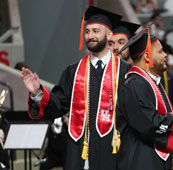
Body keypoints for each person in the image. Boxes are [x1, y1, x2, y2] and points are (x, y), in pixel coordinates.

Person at [21, 6, 131, 170]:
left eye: (95, 31)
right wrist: (37, 92)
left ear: (109, 35)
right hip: (81, 150)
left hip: (115, 150)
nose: (90, 36)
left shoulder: (126, 71)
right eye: (87, 32)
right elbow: (58, 105)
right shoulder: (74, 71)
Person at [116, 26, 173, 170]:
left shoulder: (152, 83)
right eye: (160, 51)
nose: (165, 55)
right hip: (141, 162)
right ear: (147, 56)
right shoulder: (135, 85)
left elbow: (160, 120)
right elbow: (149, 124)